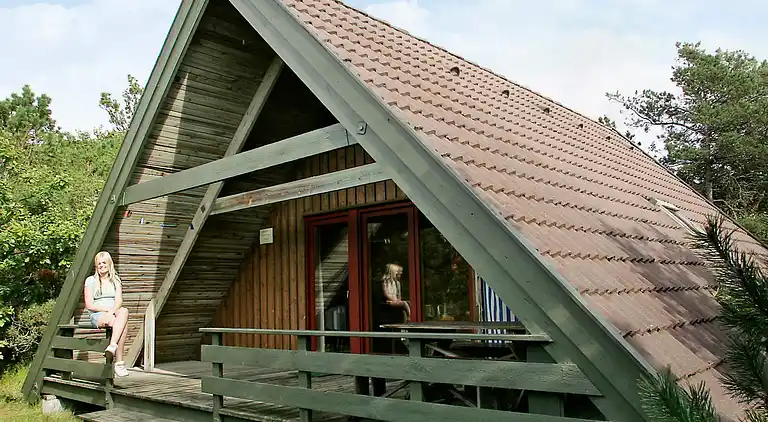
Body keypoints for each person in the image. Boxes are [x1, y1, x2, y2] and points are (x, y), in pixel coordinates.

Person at [83, 251, 130, 377]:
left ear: (109, 264)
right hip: (98, 313)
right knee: (121, 324)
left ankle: (112, 346)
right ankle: (119, 363)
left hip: (113, 311)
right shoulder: (90, 281)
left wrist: (111, 311)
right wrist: (107, 311)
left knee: (124, 311)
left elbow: (119, 301)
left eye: (104, 262)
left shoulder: (115, 280)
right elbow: (89, 304)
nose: (101, 265)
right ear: (96, 266)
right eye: (99, 263)